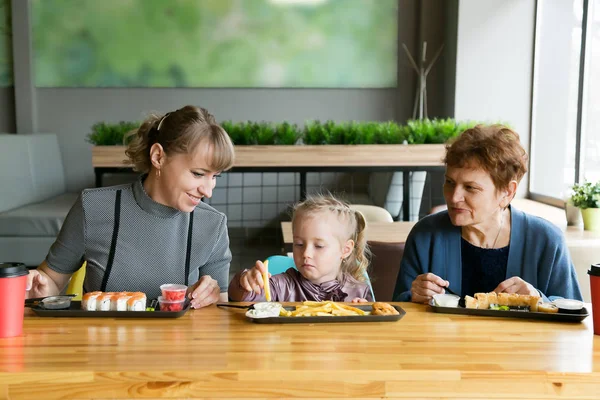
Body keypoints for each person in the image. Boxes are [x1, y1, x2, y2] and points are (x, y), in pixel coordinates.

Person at [26, 105, 235, 308]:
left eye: (215, 176)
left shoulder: (213, 225)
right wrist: (40, 290)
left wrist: (213, 297)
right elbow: (52, 280)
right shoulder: (93, 208)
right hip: (101, 342)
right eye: (198, 173)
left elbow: (220, 310)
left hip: (178, 343)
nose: (208, 191)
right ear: (158, 157)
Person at [393, 125, 583, 303]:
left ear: (507, 192)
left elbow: (574, 313)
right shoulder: (425, 235)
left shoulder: (546, 240)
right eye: (450, 182)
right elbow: (396, 310)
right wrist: (413, 296)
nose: (454, 197)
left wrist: (538, 299)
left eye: (470, 187)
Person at [228, 194, 374, 302]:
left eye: (319, 246)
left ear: (345, 250)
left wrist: (366, 312)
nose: (306, 253)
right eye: (299, 244)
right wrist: (244, 281)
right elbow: (242, 298)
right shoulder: (282, 286)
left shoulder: (359, 291)